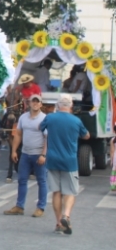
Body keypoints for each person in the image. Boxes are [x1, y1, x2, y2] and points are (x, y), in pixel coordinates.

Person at [39, 94, 90, 235]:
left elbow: (40, 127)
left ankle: (58, 222)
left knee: (56, 192)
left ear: (57, 105)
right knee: (71, 192)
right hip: (69, 161)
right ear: (71, 106)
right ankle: (66, 216)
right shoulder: (76, 120)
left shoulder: (50, 117)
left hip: (52, 159)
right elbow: (86, 136)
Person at [3, 94, 48, 217]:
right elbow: (18, 134)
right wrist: (14, 151)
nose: (35, 103)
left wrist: (43, 154)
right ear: (28, 103)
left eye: (37, 101)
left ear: (40, 104)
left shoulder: (44, 119)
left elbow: (47, 138)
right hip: (25, 153)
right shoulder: (23, 117)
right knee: (22, 180)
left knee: (42, 181)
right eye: (33, 101)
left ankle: (41, 207)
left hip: (38, 154)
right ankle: (19, 206)